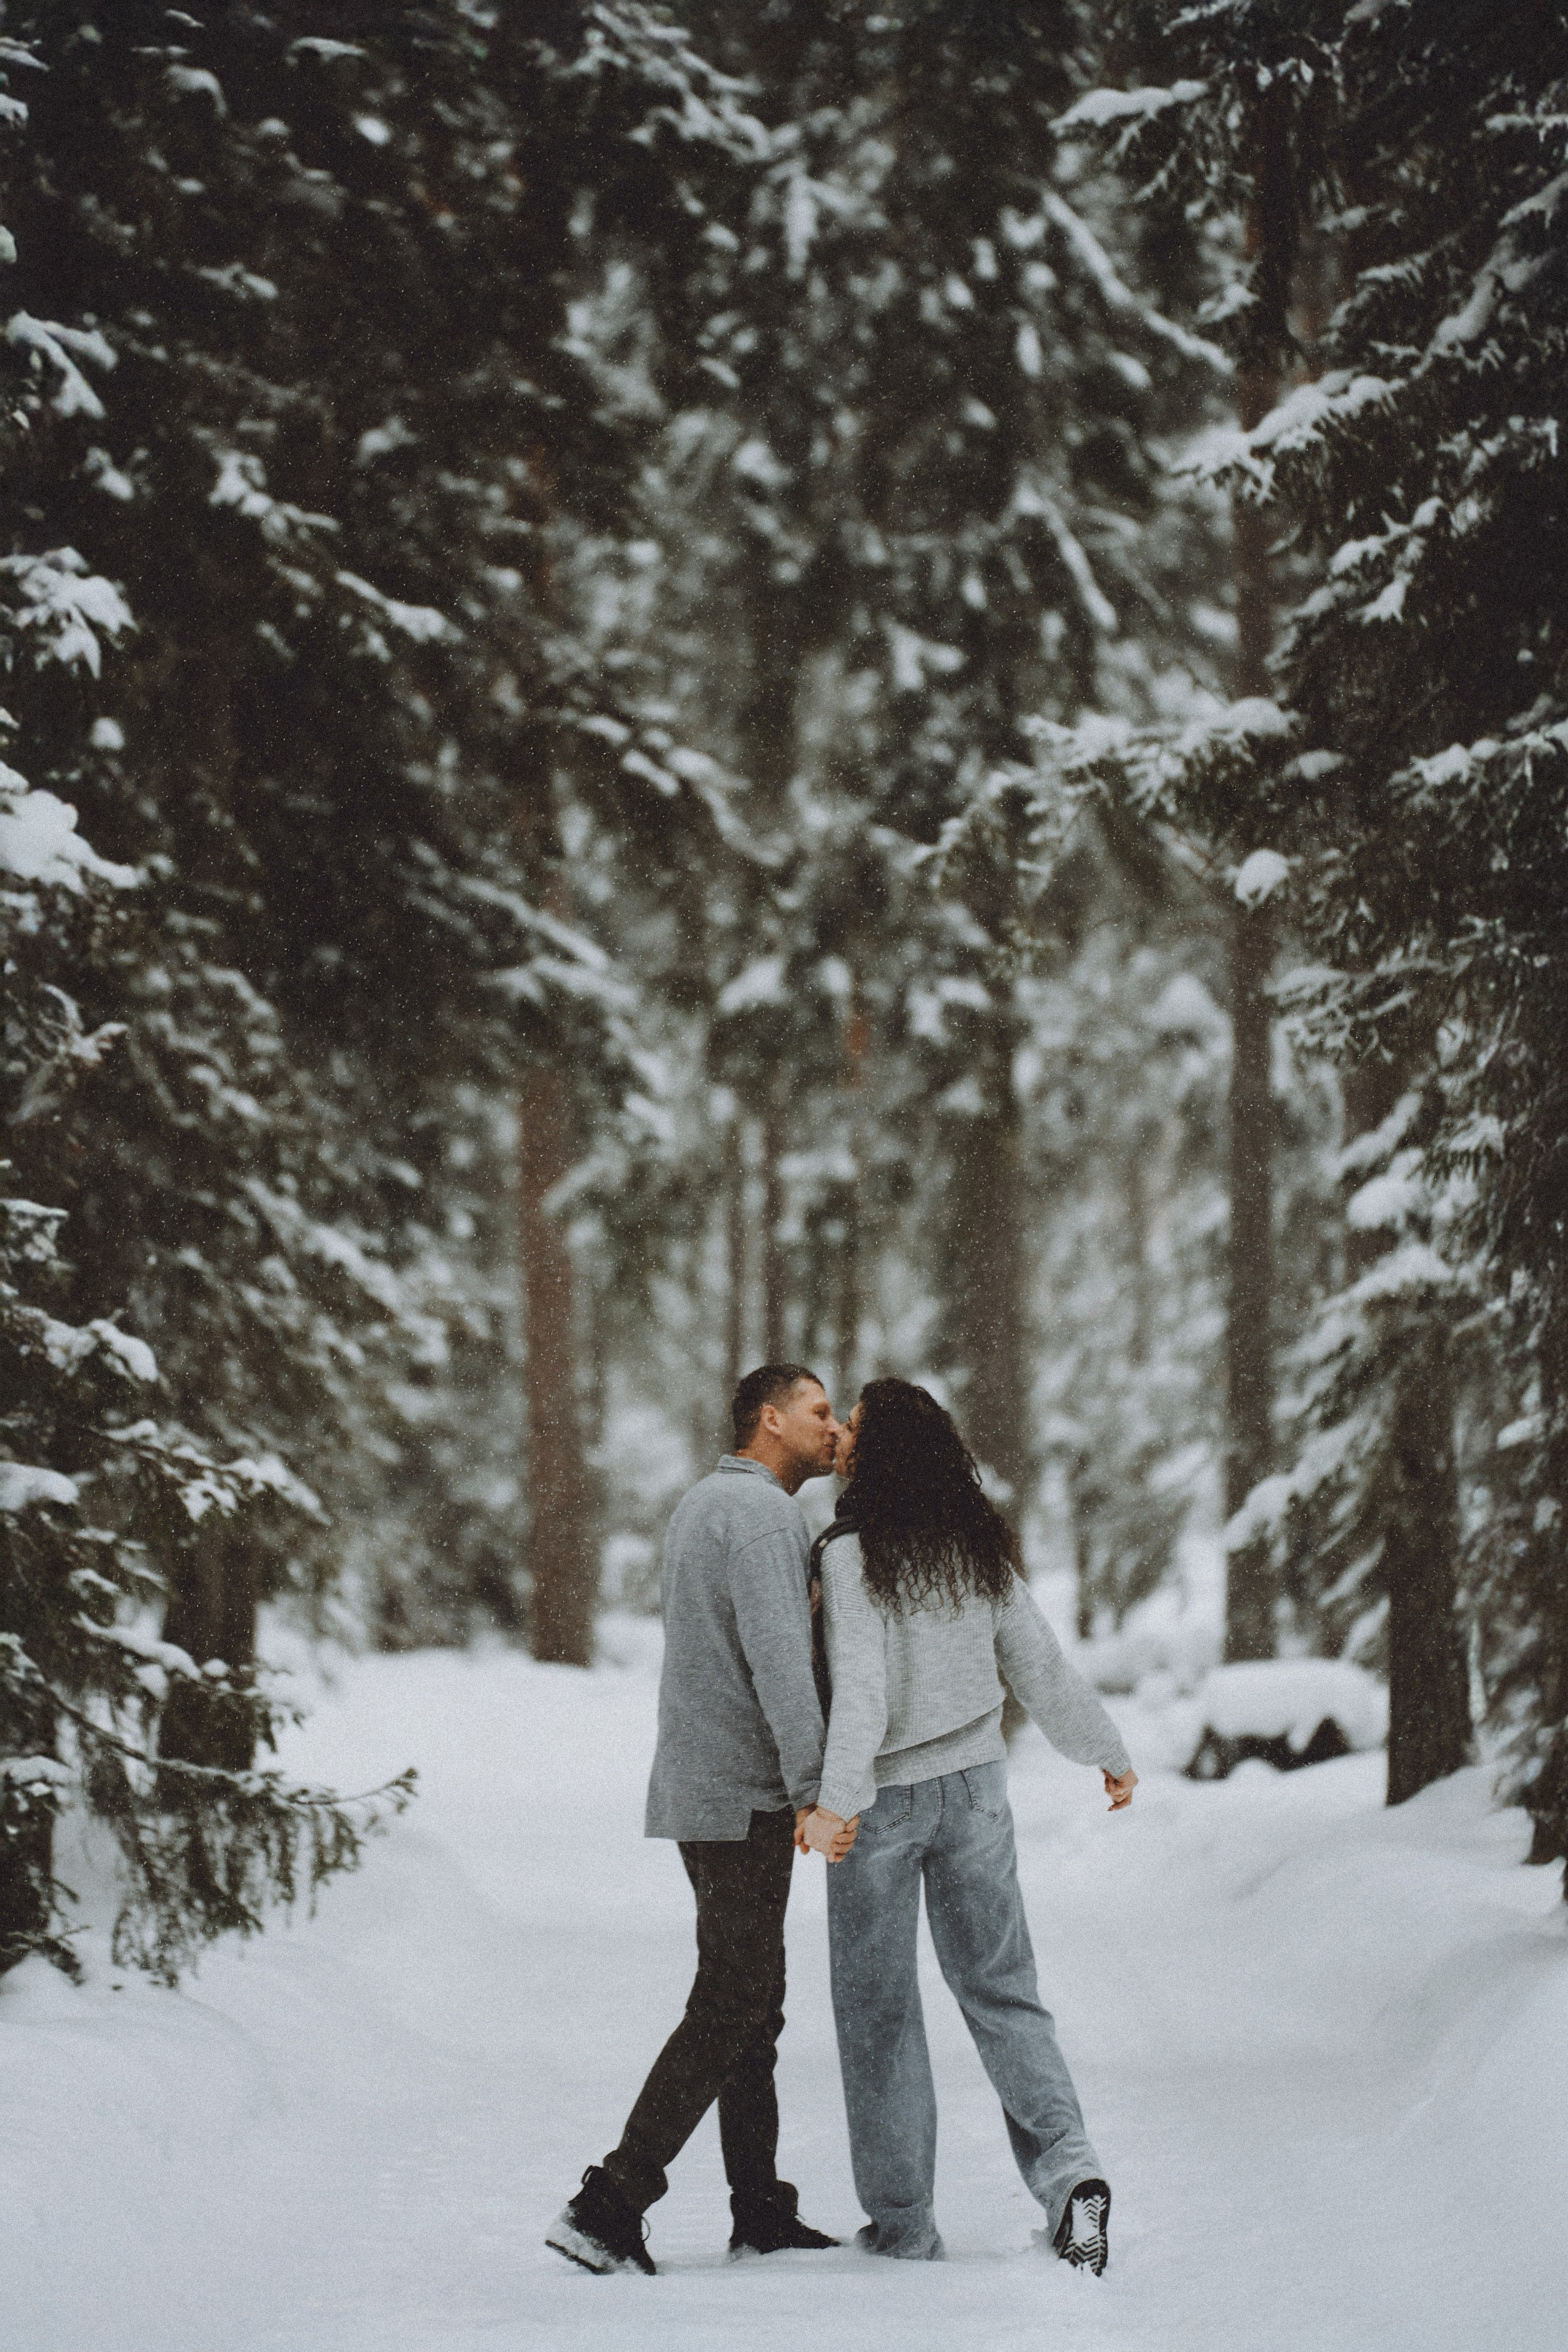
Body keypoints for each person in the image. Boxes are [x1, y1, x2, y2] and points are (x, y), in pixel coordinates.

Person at [799, 1378, 1137, 2272]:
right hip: (979, 1788)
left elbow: (864, 1694)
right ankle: (1072, 2177)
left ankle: (905, 2225)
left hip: (883, 1802)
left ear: (882, 1453)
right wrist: (1105, 1749)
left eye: (856, 1431)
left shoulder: (851, 1552)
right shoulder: (975, 1546)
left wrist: (834, 1805)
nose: (842, 1441)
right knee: (1004, 1991)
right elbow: (1042, 1666)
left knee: (878, 2011)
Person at [548, 1364, 858, 2278]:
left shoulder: (702, 1505)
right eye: (818, 1412)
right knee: (731, 2000)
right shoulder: (765, 1516)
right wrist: (814, 1790)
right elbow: (776, 1662)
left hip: (702, 1790)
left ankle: (760, 2207)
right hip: (745, 1796)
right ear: (770, 1421)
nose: (834, 1428)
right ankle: (612, 2199)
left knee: (750, 2003)